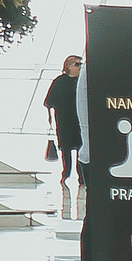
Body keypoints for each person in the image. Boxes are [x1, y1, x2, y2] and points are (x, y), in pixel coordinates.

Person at [45, 54, 84, 185]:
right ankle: (66, 173)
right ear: (68, 66)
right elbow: (49, 101)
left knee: (82, 148)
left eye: (80, 64)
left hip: (80, 120)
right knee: (66, 148)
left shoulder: (82, 82)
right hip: (65, 121)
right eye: (77, 64)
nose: (79, 67)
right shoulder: (60, 82)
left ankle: (81, 175)